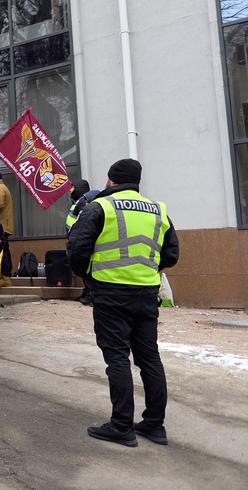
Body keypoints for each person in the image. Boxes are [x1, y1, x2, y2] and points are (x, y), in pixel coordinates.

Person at [68, 159, 178, 448]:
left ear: (112, 180)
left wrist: (89, 277)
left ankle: (121, 426)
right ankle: (155, 425)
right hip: (145, 293)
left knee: (117, 358)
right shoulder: (159, 210)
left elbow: (77, 249)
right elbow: (171, 254)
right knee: (149, 358)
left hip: (111, 292)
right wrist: (146, 270)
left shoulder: (101, 207)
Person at [67, 180, 101, 306]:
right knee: (86, 268)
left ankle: (90, 294)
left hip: (84, 241)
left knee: (88, 269)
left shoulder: (85, 202)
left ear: (79, 189)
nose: (71, 192)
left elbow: (83, 224)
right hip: (80, 240)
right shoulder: (81, 202)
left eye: (73, 189)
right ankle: (88, 292)